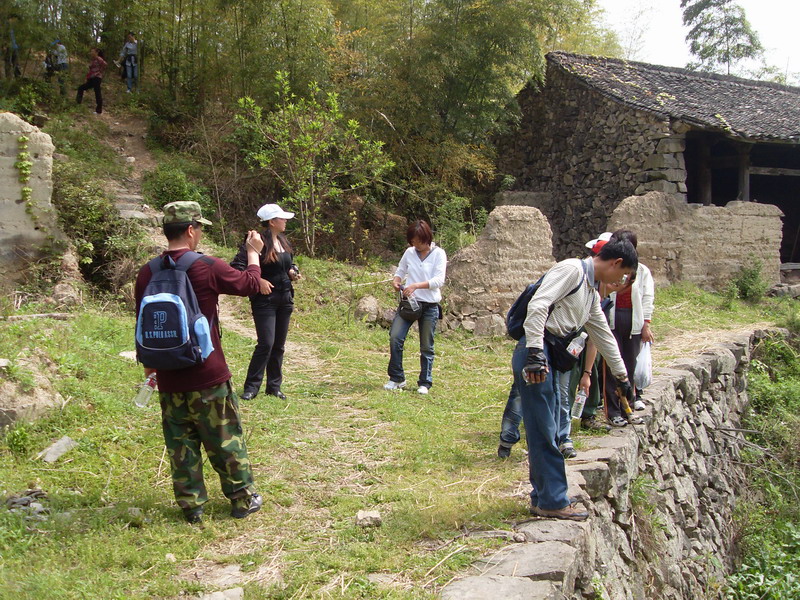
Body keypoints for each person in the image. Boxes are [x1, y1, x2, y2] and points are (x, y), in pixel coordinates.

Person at [134, 201, 265, 524]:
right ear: (191, 230)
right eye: (200, 228)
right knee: (224, 437)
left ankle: (192, 507)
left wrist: (150, 368)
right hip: (207, 372)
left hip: (167, 374)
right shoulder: (205, 266)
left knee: (181, 445)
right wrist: (253, 253)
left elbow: (142, 320)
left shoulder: (147, 271)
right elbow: (249, 285)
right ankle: (241, 499)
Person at [512, 240, 638, 521]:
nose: (621, 281)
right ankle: (552, 500)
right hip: (537, 352)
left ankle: (544, 496)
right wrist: (534, 353)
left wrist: (622, 377)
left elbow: (603, 335)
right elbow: (538, 305)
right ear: (615, 263)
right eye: (623, 274)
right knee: (543, 426)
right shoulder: (571, 271)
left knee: (549, 425)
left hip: (548, 355)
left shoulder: (591, 294)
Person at [231, 203, 301, 401]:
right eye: (282, 218)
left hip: (285, 297)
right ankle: (251, 387)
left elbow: (289, 262)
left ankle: (274, 386)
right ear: (271, 222)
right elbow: (237, 266)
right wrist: (258, 280)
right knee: (266, 343)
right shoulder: (255, 240)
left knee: (279, 345)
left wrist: (292, 271)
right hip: (265, 300)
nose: (285, 221)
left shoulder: (284, 240)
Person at [384, 220, 447, 395]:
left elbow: (438, 280)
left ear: (426, 238)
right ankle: (397, 378)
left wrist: (416, 285)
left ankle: (425, 382)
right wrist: (396, 281)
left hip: (429, 306)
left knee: (426, 345)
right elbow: (401, 270)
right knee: (395, 337)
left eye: (418, 241)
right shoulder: (409, 252)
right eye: (412, 241)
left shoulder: (439, 254)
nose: (415, 245)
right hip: (409, 304)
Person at [603, 229, 655, 426]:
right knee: (611, 366)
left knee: (629, 366)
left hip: (633, 321)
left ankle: (629, 408)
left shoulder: (642, 271)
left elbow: (647, 297)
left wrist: (646, 325)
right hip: (611, 319)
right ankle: (613, 411)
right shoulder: (610, 268)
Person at [76, 47, 106, 115]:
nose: (91, 53)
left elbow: (105, 65)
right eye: (91, 51)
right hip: (91, 78)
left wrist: (99, 72)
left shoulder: (99, 59)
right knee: (81, 87)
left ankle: (99, 110)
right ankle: (78, 103)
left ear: (96, 52)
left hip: (97, 78)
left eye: (92, 51)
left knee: (97, 92)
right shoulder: (93, 60)